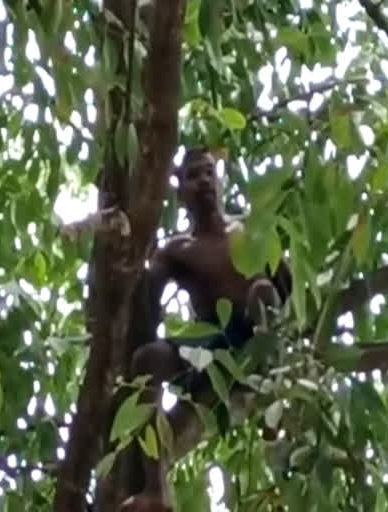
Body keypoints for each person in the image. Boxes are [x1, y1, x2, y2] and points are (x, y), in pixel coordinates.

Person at [119, 147, 291, 511]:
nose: (204, 182)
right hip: (209, 342)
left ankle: (275, 396)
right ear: (180, 193)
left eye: (210, 173)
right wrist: (138, 260)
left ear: (221, 179)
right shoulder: (178, 250)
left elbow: (285, 287)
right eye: (194, 175)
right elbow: (147, 312)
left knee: (262, 290)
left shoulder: (249, 228)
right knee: (146, 358)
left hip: (257, 330)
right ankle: (156, 489)